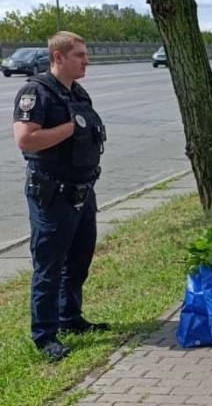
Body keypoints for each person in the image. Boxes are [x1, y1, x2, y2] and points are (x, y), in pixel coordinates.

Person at [12, 32, 109, 362]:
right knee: (49, 266)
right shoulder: (35, 92)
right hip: (51, 193)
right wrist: (70, 129)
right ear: (58, 57)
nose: (86, 61)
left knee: (79, 260)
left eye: (85, 55)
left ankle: (71, 317)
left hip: (82, 190)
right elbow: (26, 140)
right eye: (79, 55)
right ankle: (45, 334)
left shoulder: (77, 92)